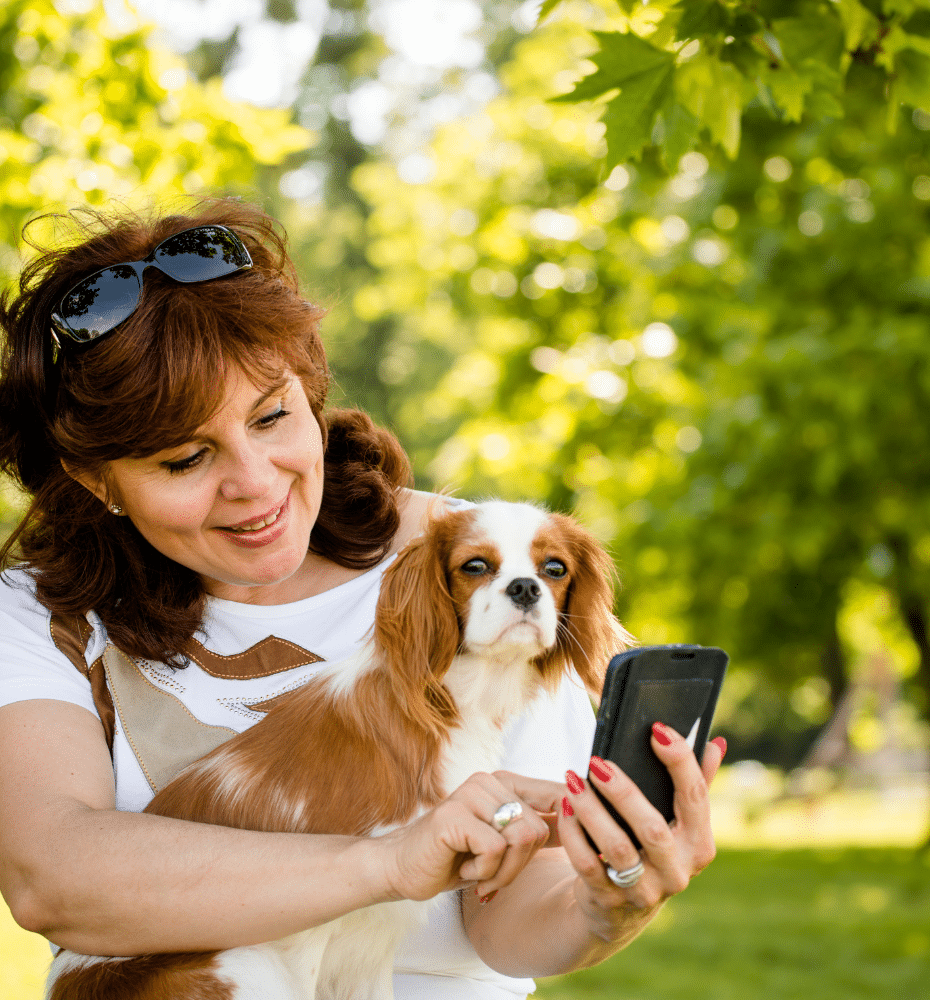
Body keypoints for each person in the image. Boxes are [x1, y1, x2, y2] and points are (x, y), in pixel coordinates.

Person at [0, 200, 724, 999]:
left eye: (273, 416)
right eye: (184, 459)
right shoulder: (37, 615)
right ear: (95, 479)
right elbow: (51, 877)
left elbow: (508, 915)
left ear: (311, 393)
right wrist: (388, 860)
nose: (255, 482)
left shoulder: (476, 568)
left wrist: (604, 903)